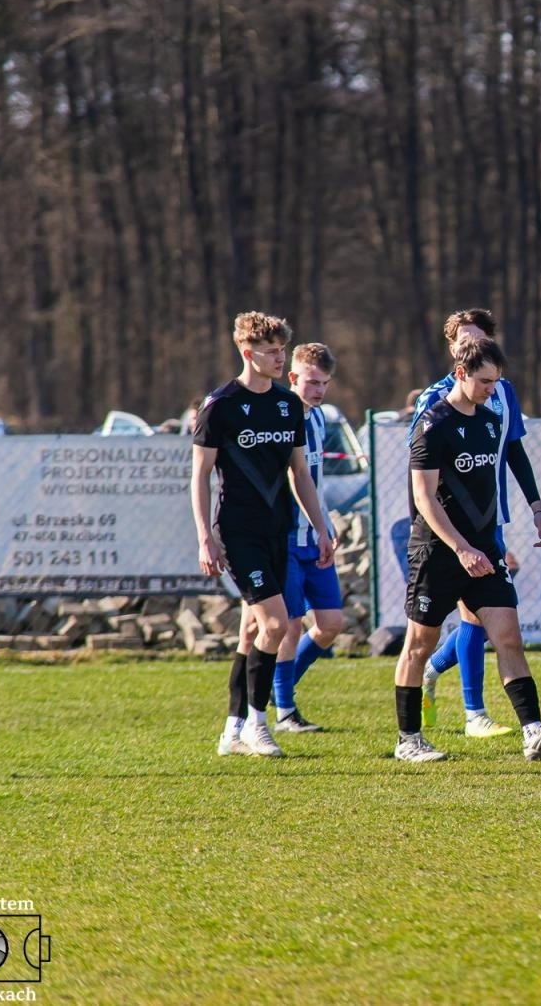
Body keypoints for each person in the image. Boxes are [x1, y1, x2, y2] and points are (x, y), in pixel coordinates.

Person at [393, 337, 541, 763]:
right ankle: (408, 740)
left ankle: (533, 732)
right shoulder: (432, 423)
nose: (490, 391)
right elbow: (423, 498)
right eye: (483, 382)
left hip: (484, 550)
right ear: (460, 373)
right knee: (420, 643)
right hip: (438, 550)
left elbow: (498, 478)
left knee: (508, 635)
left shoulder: (491, 423)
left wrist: (498, 536)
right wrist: (459, 548)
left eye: (495, 382)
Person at [193, 312, 335, 758]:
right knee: (277, 623)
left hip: (281, 531)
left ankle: (231, 730)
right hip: (238, 533)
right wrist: (204, 537)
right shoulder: (220, 405)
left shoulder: (287, 405)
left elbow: (300, 473)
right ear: (246, 352)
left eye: (281, 350)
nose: (279, 359)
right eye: (272, 352)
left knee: (252, 629)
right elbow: (199, 476)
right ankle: (259, 723)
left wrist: (320, 526)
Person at [413, 308, 541, 739]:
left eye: (475, 337)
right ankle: (473, 711)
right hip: (448, 529)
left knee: (487, 619)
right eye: (460, 340)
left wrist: (535, 505)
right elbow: (422, 475)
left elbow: (514, 451)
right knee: (469, 617)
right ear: (454, 351)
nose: (467, 345)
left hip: (490, 522)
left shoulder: (502, 392)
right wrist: (447, 535)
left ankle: (444, 676)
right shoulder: (434, 401)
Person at [237, 342, 347, 734]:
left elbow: (313, 480)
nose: (318, 390)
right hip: (284, 537)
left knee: (332, 622)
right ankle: (283, 710)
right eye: (312, 382)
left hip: (314, 537)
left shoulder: (317, 421)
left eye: (325, 383)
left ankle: (277, 688)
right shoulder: (278, 416)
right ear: (293, 377)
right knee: (289, 624)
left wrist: (325, 527)